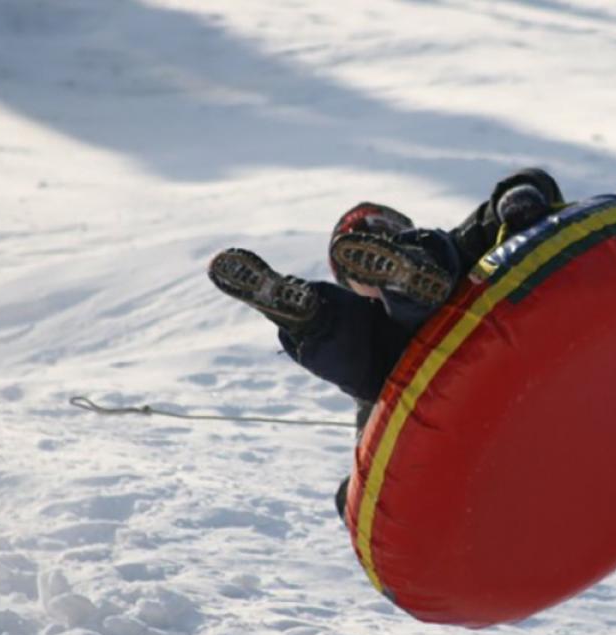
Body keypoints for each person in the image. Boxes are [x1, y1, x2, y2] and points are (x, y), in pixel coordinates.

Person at [207, 169, 565, 516]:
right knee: (357, 349)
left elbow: (531, 185)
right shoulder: (371, 348)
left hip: (483, 311)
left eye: (383, 243)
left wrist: (519, 201)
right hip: (425, 377)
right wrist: (351, 498)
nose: (372, 259)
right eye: (360, 264)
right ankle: (309, 316)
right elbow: (374, 455)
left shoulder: (462, 248)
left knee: (439, 261)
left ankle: (373, 294)